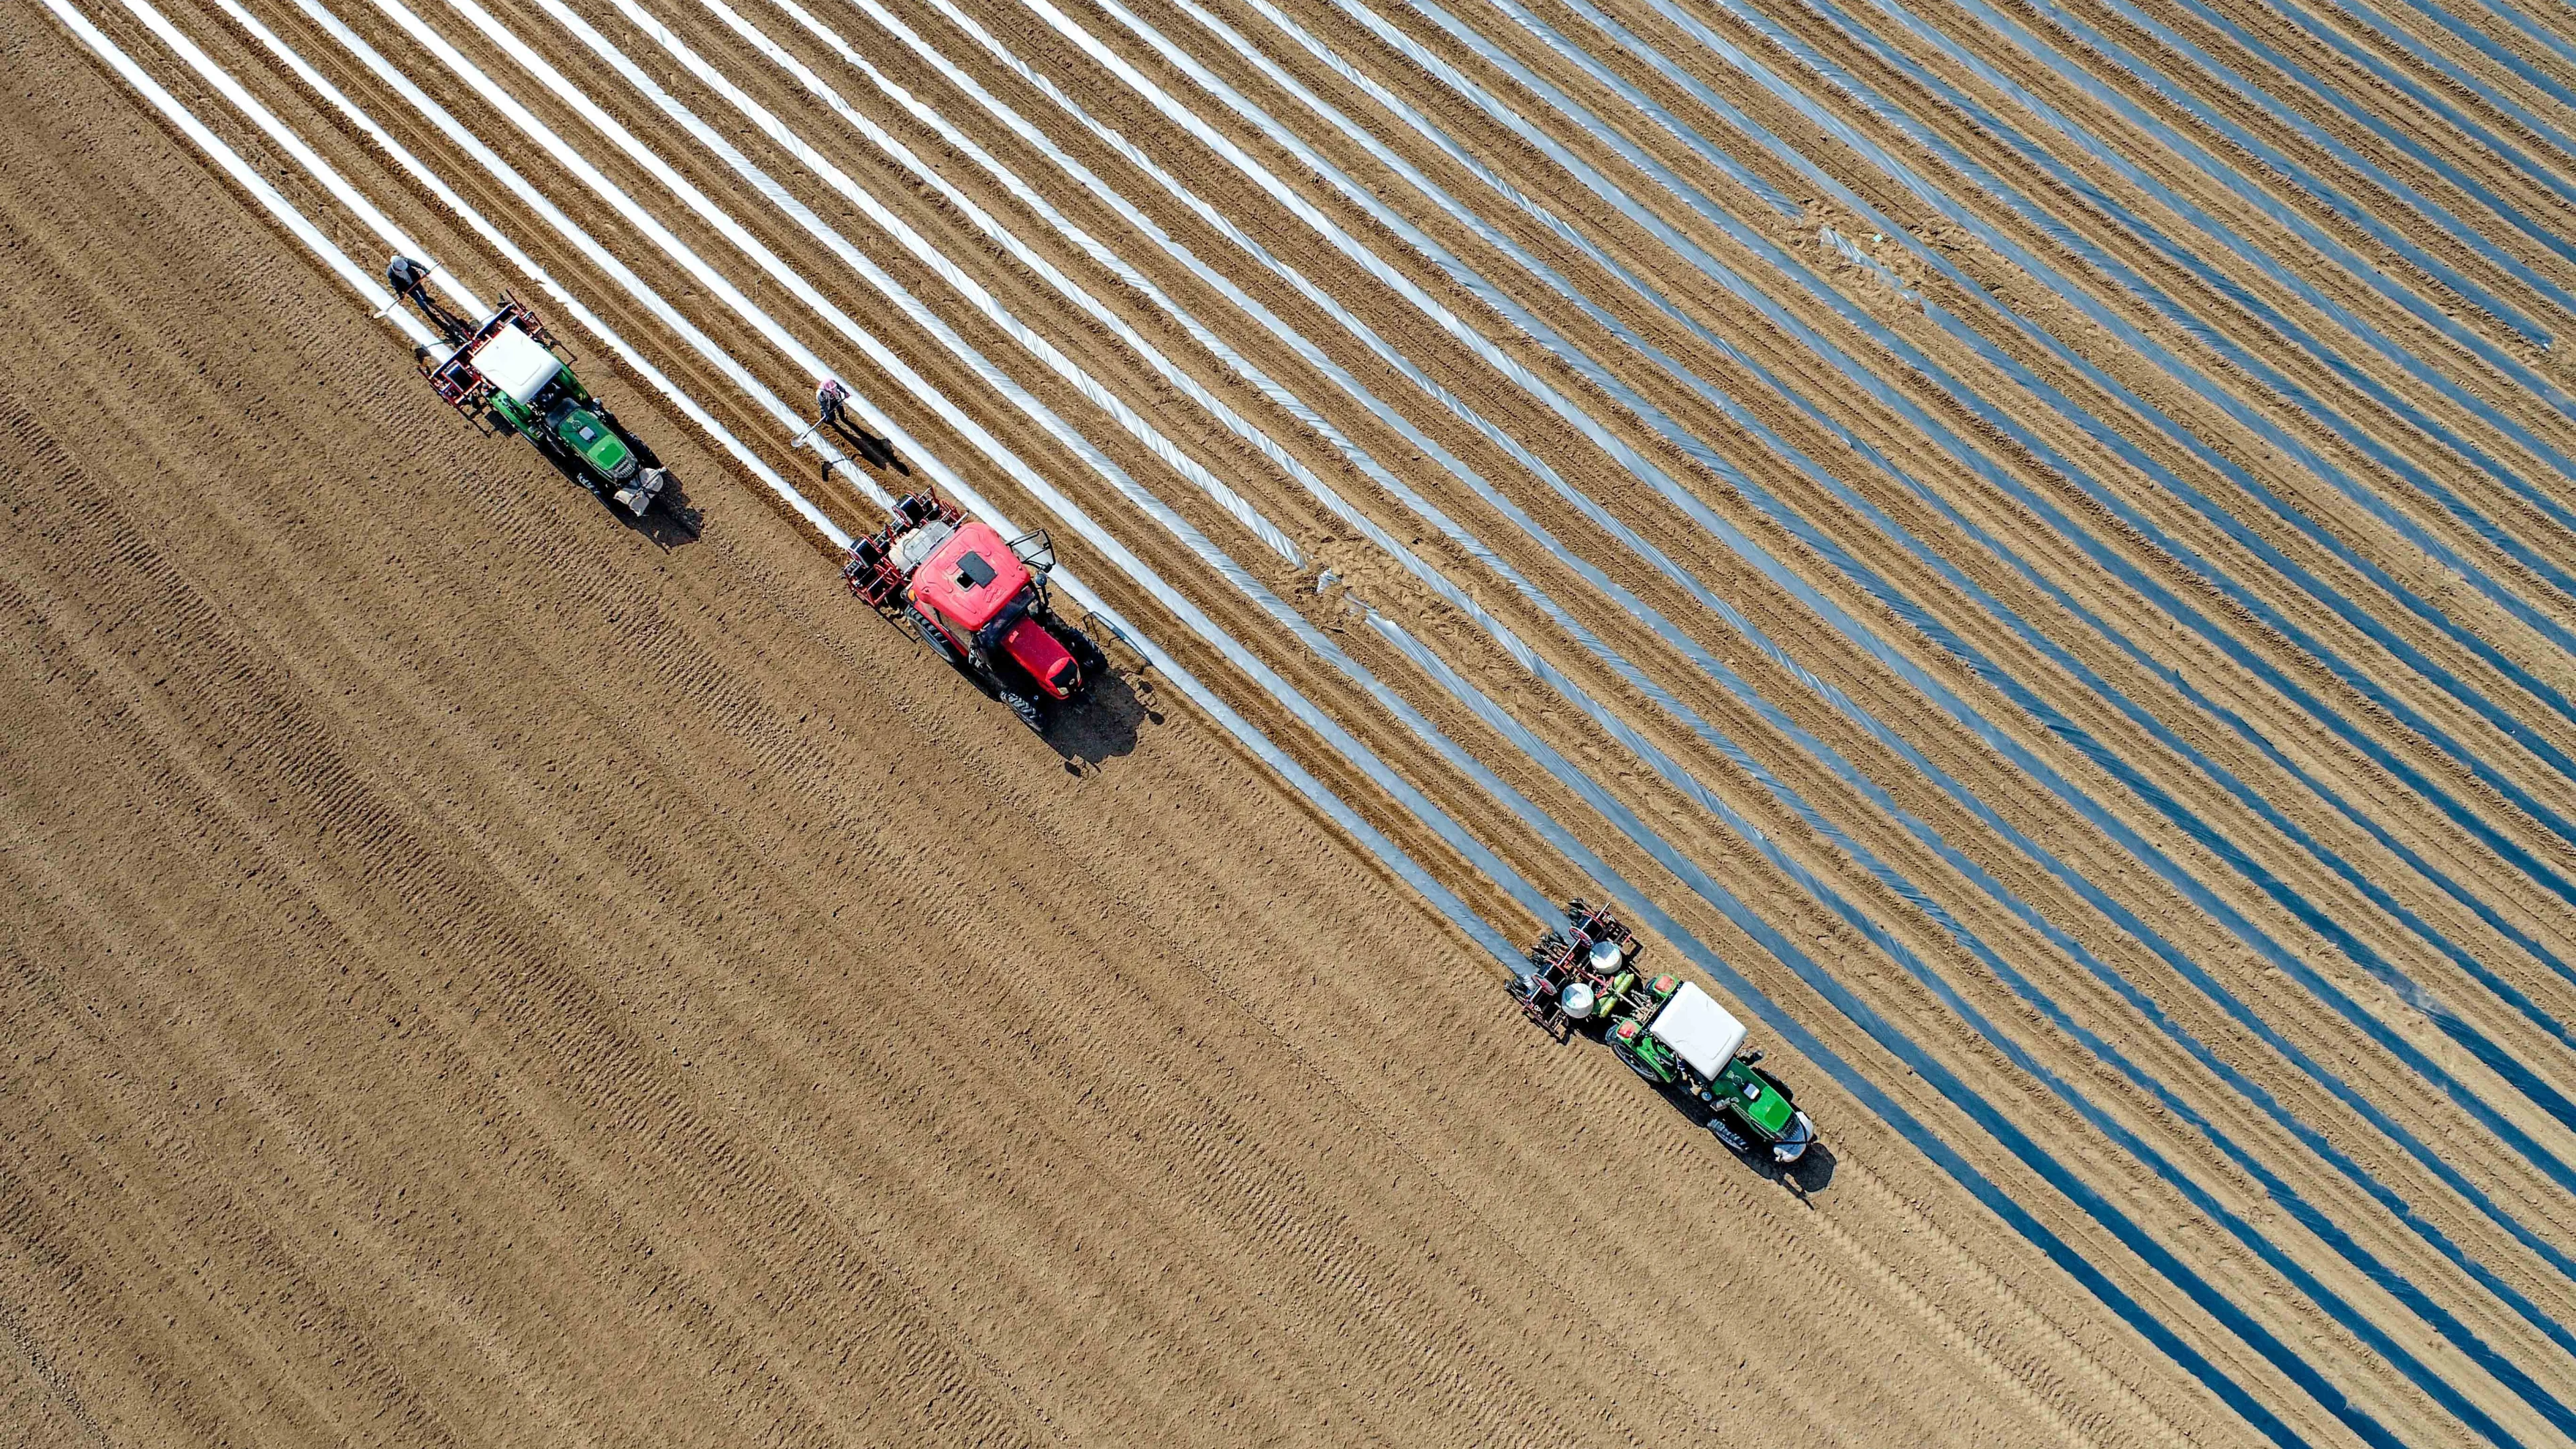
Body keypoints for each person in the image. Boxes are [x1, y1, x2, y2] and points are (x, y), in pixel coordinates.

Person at [814, 377, 911, 476]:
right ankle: (831, 423)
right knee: (831, 418)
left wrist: (845, 392)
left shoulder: (832, 384)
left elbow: (839, 388)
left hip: (836, 399)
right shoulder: (820, 395)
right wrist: (827, 413)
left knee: (842, 414)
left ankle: (844, 420)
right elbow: (824, 407)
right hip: (828, 405)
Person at [386, 255, 467, 341]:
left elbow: (416, 264)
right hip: (407, 287)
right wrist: (400, 294)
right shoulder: (390, 273)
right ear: (395, 267)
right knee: (418, 299)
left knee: (422, 291)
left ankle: (426, 298)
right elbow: (395, 285)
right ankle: (426, 310)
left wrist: (424, 269)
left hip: (415, 280)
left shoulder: (404, 261)